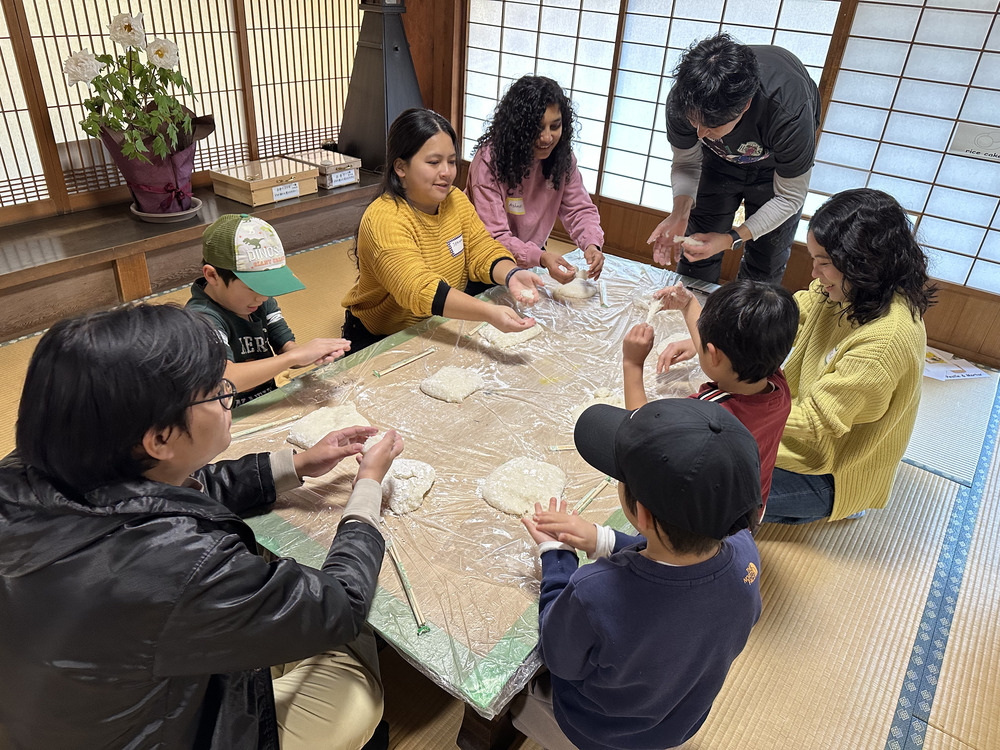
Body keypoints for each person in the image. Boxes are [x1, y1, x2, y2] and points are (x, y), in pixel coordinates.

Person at [0, 303, 403, 750]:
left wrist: (297, 463)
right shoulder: (178, 563)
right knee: (354, 676)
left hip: (61, 717)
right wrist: (367, 488)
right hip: (163, 734)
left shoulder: (30, 471)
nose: (228, 398)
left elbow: (149, 496)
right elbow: (339, 606)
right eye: (217, 392)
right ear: (159, 438)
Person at [660, 188, 935, 523]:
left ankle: (843, 505)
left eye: (824, 263)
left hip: (829, 471)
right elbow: (785, 318)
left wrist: (740, 406)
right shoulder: (846, 288)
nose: (814, 274)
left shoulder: (884, 342)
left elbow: (816, 422)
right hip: (795, 429)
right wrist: (711, 337)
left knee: (693, 488)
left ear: (863, 263)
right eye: (814, 259)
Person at [515, 398, 763, 750]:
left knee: (516, 692)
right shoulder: (745, 552)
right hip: (677, 721)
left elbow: (557, 657)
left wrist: (557, 556)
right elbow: (676, 568)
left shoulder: (593, 590)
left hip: (598, 730)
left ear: (642, 515)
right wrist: (603, 539)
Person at [342, 108, 544, 350]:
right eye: (434, 162)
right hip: (384, 336)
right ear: (401, 167)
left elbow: (481, 249)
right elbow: (418, 289)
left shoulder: (455, 199)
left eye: (451, 161)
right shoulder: (384, 218)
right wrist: (488, 312)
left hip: (437, 321)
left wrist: (511, 274)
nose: (447, 172)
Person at [647, 33, 821, 285]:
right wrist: (680, 212)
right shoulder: (684, 99)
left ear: (746, 105)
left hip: (775, 169)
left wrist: (731, 239)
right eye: (694, 121)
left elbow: (790, 197)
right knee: (697, 250)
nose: (699, 134)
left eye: (711, 126)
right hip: (718, 162)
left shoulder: (789, 110)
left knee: (765, 265)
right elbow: (686, 162)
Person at [624, 278, 796, 510]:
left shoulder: (706, 415)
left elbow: (642, 431)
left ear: (714, 355)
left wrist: (632, 364)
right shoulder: (777, 382)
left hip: (705, 519)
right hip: (749, 508)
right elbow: (726, 351)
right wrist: (688, 305)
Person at [188, 213, 351, 407]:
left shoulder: (259, 300)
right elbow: (225, 379)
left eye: (267, 286)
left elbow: (286, 347)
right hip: (226, 413)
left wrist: (308, 354)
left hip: (264, 402)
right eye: (253, 287)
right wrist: (293, 357)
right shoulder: (200, 318)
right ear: (212, 276)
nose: (263, 297)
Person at [466, 75, 605, 285]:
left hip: (531, 255)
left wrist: (592, 244)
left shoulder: (562, 158)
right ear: (517, 128)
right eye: (537, 128)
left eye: (555, 126)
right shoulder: (490, 160)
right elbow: (494, 235)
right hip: (486, 260)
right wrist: (540, 257)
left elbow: (579, 209)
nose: (547, 137)